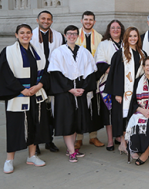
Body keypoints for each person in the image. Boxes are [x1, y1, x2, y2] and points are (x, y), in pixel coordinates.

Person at [0, 24, 50, 173]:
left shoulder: (37, 50)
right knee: (15, 128)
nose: (25, 35)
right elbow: (5, 74)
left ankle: (32, 156)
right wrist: (21, 89)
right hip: (17, 96)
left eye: (28, 33)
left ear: (31, 35)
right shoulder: (8, 52)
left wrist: (39, 86)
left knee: (34, 125)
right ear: (16, 35)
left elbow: (46, 71)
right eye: (22, 33)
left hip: (35, 94)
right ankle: (9, 160)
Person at [48, 25, 97, 163]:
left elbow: (90, 71)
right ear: (65, 35)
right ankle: (70, 151)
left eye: (74, 34)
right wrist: (70, 89)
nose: (72, 36)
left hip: (79, 91)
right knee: (66, 121)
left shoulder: (84, 52)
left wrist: (84, 88)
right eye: (69, 34)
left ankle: (72, 148)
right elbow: (56, 73)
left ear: (78, 35)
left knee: (75, 121)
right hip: (65, 92)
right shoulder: (58, 52)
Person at [105, 27, 145, 155]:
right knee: (123, 118)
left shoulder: (142, 53)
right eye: (130, 36)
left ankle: (131, 142)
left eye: (135, 36)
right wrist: (117, 92)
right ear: (126, 38)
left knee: (133, 117)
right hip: (123, 93)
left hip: (136, 92)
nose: (133, 38)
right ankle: (123, 143)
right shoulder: (120, 54)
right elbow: (115, 75)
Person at [30, 10, 64, 153]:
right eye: (43, 18)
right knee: (37, 111)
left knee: (50, 110)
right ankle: (35, 143)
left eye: (49, 19)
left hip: (52, 77)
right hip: (36, 77)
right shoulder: (30, 35)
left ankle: (49, 141)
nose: (46, 21)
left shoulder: (57, 36)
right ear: (37, 20)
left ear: (51, 21)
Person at [74, 10, 104, 149]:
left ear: (94, 22)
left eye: (91, 20)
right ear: (81, 21)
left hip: (93, 77)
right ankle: (78, 138)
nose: (88, 22)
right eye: (86, 19)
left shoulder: (99, 37)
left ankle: (93, 136)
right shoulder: (74, 36)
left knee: (93, 107)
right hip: (78, 77)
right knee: (79, 108)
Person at [94, 19, 125, 151]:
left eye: (118, 28)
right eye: (113, 28)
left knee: (121, 112)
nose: (116, 30)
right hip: (108, 83)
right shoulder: (104, 44)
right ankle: (110, 140)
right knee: (109, 113)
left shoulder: (127, 43)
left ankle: (120, 137)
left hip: (125, 83)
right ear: (109, 30)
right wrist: (116, 72)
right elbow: (100, 64)